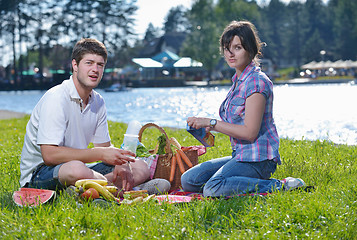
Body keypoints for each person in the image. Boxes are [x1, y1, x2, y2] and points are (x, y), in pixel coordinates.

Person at [19, 38, 170, 195]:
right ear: (75, 65)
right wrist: (100, 154)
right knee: (76, 169)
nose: (95, 69)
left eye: (100, 65)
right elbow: (49, 155)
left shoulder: (97, 101)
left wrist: (121, 161)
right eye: (89, 63)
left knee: (140, 166)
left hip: (81, 166)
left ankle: (89, 191)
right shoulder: (56, 97)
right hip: (41, 173)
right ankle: (122, 190)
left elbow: (104, 147)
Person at [181, 21, 305, 197]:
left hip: (259, 159)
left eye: (237, 47)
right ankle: (233, 184)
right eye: (226, 48)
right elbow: (237, 124)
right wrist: (206, 127)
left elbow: (249, 133)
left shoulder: (256, 81)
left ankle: (281, 185)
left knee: (212, 188)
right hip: (240, 155)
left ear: (250, 49)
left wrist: (212, 123)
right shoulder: (238, 81)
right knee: (188, 180)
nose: (230, 53)